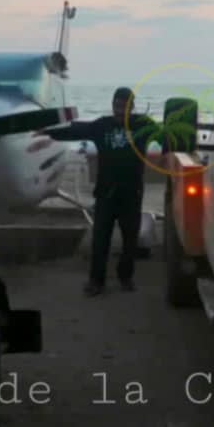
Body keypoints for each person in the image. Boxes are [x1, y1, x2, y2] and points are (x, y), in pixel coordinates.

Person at [38, 87, 157, 295]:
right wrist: (46, 132)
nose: (120, 111)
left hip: (132, 194)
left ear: (133, 107)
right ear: (112, 105)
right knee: (100, 239)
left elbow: (169, 137)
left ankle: (125, 277)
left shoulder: (144, 125)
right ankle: (96, 281)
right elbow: (74, 130)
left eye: (125, 106)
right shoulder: (102, 126)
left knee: (130, 241)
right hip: (106, 194)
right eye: (117, 106)